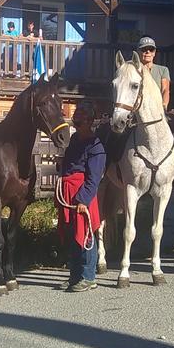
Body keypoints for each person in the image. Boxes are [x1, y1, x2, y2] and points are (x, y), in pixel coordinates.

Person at [56, 101, 106, 292]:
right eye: (75, 122)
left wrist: (83, 200)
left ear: (89, 122)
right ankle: (75, 275)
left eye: (79, 122)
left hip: (83, 194)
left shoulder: (97, 147)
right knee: (72, 235)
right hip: (69, 192)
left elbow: (94, 178)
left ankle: (88, 277)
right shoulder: (75, 141)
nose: (76, 125)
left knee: (85, 234)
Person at [136, 36, 174, 195]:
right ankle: (109, 168)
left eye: (150, 49)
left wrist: (163, 108)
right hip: (137, 111)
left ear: (154, 53)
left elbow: (165, 90)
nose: (147, 52)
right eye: (143, 49)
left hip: (158, 110)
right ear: (139, 52)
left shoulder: (162, 70)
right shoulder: (134, 69)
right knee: (117, 132)